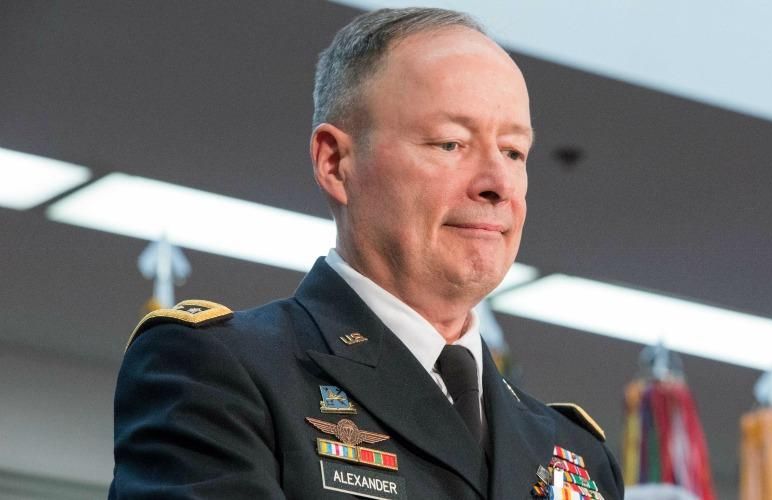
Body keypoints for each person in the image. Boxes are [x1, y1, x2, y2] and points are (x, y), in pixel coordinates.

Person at [110, 7, 623, 499]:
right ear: (335, 163)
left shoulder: (575, 453)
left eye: (513, 152)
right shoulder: (220, 372)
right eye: (450, 144)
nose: (497, 184)